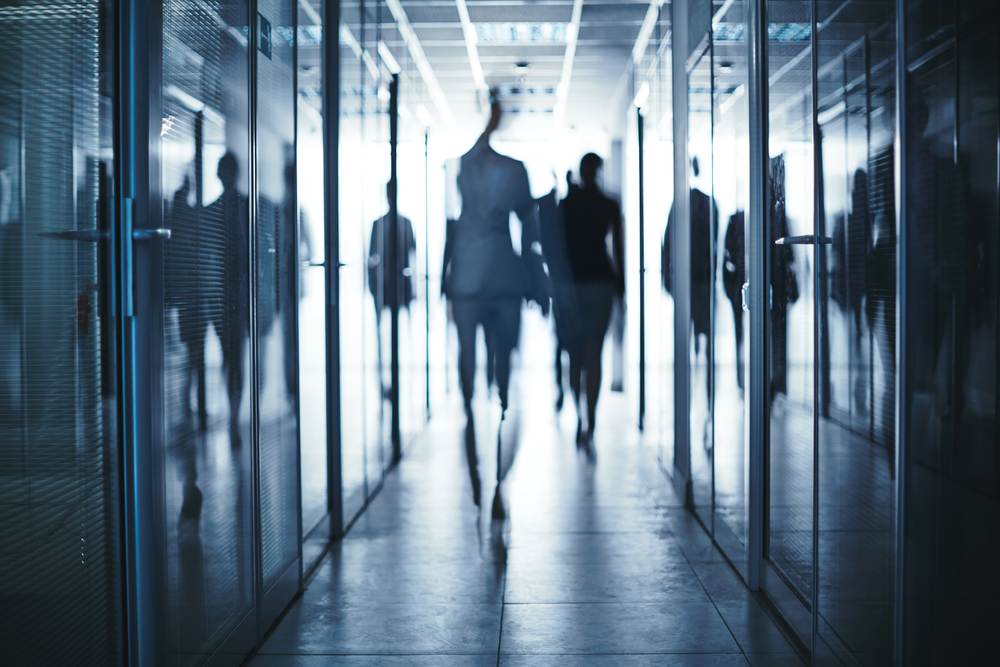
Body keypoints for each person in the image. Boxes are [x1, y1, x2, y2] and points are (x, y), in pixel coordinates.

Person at [442, 96, 547, 418]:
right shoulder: (508, 170)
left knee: (478, 347)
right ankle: (495, 395)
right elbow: (529, 230)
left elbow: (528, 230)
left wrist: (490, 124)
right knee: (497, 346)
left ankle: (479, 397)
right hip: (495, 279)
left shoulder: (477, 169)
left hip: (478, 280)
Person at [560, 153, 624, 448]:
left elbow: (559, 249)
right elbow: (617, 249)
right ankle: (591, 416)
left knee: (575, 356)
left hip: (573, 284)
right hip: (600, 282)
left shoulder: (567, 204)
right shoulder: (609, 204)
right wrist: (621, 288)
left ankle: (580, 414)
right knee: (594, 354)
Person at [205, 151, 249, 449]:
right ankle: (233, 414)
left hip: (232, 295)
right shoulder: (238, 208)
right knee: (233, 357)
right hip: (226, 295)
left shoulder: (238, 208)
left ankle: (233, 414)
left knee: (232, 357)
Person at [369, 181, 416, 399]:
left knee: (400, 335)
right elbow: (372, 258)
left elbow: (412, 258)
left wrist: (411, 288)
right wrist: (374, 286)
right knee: (383, 337)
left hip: (400, 288)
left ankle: (399, 380)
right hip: (384, 287)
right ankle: (384, 382)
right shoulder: (378, 224)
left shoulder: (406, 223)